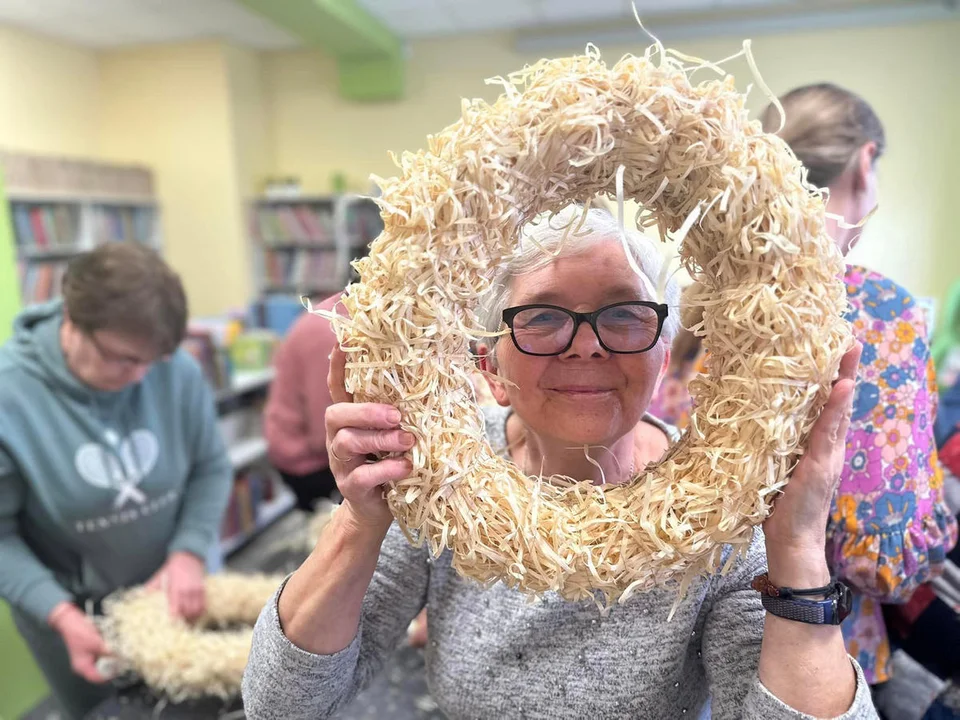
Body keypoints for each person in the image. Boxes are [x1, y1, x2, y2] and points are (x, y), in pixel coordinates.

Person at [242, 205, 877, 719]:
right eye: (543, 317)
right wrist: (359, 522)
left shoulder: (719, 504)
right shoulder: (442, 472)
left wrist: (795, 545)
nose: (585, 346)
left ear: (662, 352)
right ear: (489, 367)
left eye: (625, 314)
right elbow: (283, 704)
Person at [759, 84, 957, 689]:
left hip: (692, 653)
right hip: (821, 652)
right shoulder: (876, 311)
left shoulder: (700, 310)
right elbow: (884, 560)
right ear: (866, 161)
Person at [0, 243, 233, 720]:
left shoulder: (175, 372)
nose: (140, 377)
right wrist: (59, 614)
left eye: (154, 361)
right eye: (124, 360)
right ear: (72, 318)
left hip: (176, 593)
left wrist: (188, 552)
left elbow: (210, 467)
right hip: (74, 617)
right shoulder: (9, 396)